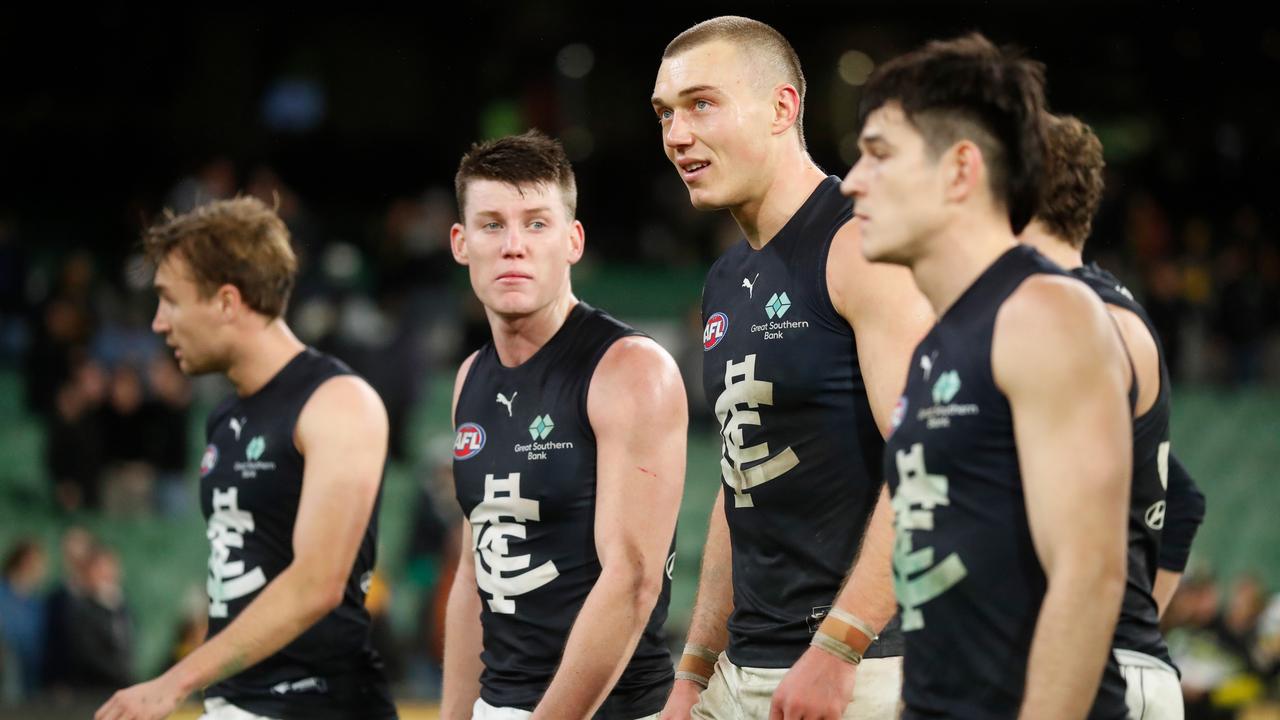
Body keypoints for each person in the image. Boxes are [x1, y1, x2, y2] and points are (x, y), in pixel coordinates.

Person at [650, 15, 933, 720]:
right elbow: (737, 479)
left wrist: (839, 648)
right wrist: (692, 671)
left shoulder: (864, 246)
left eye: (701, 104)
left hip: (867, 669)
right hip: (746, 670)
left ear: (783, 108)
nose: (677, 134)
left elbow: (933, 462)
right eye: (665, 113)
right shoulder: (724, 279)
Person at [842, 33, 1132, 718]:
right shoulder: (941, 340)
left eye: (879, 153)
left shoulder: (1043, 311)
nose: (852, 178)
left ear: (960, 170)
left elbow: (1089, 575)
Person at [96, 196, 396, 720]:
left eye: (169, 300)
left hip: (321, 705)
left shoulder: (338, 402)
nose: (158, 324)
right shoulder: (223, 419)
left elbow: (318, 583)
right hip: (235, 703)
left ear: (227, 302)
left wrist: (175, 681)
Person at [440, 131, 685, 719]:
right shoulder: (470, 376)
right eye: (492, 224)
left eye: (537, 223)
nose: (513, 246)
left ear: (574, 240)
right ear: (461, 242)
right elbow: (476, 569)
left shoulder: (630, 368)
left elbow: (632, 583)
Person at [1019, 113, 1208, 718]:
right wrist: (1137, 629)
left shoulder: (1060, 317)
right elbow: (1182, 498)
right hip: (1125, 664)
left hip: (1086, 674)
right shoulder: (1104, 301)